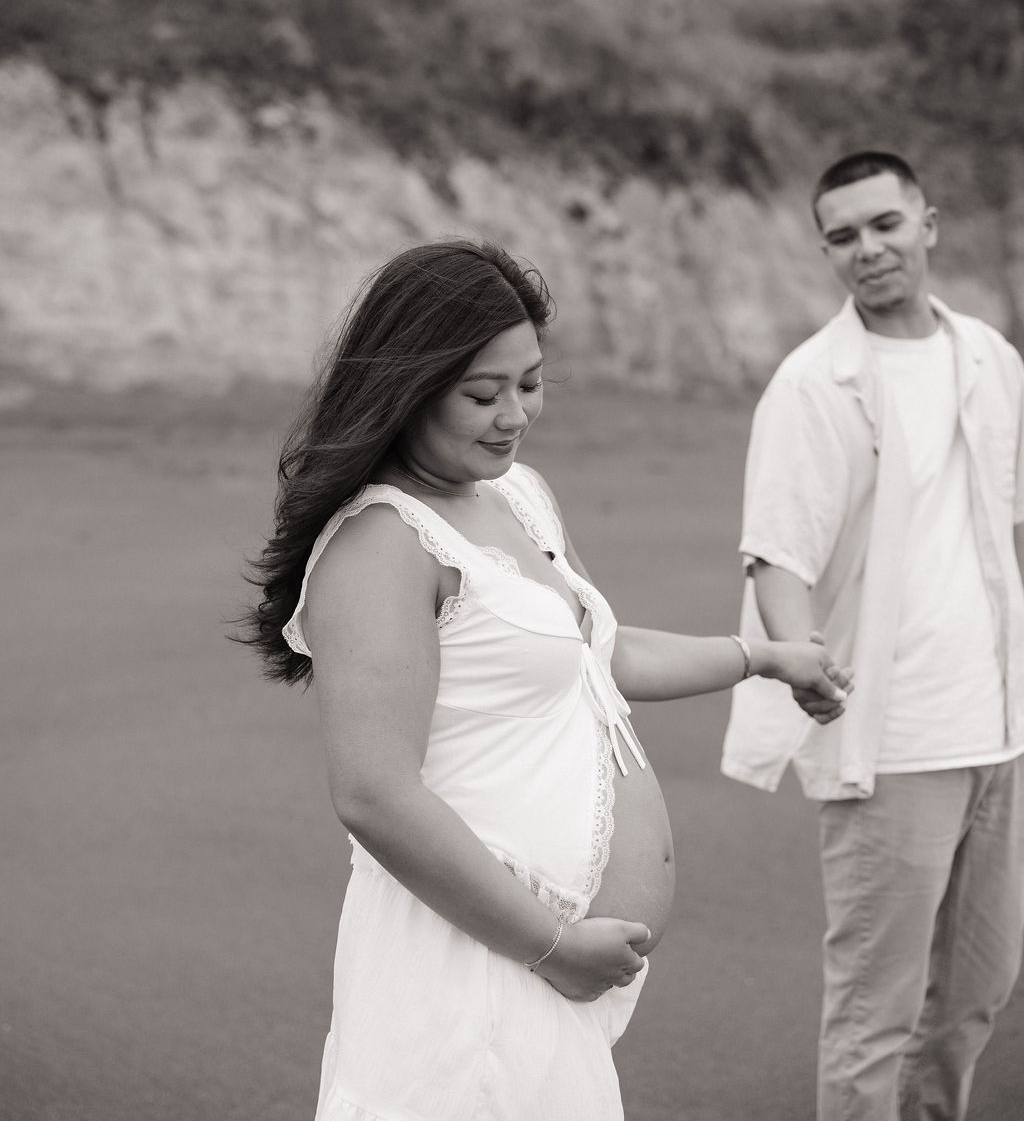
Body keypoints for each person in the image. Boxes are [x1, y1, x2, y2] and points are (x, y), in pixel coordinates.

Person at [240, 238, 850, 1121]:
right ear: (405, 387)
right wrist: (551, 945)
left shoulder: (516, 495)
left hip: (542, 970)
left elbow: (598, 656)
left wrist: (762, 657)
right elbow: (373, 793)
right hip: (473, 964)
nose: (515, 414)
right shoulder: (382, 545)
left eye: (530, 384)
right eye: (482, 394)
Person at [722, 151, 1024, 1121]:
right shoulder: (812, 386)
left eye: (884, 225)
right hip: (892, 742)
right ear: (826, 252)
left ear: (927, 224)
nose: (868, 249)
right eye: (843, 236)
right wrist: (799, 657)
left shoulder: (988, 358)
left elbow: (1001, 527)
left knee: (972, 1002)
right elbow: (776, 554)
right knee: (874, 1014)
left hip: (1001, 733)